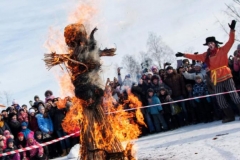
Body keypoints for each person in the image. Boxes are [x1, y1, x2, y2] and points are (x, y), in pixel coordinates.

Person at [175, 20, 239, 123]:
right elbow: (195, 56)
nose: (210, 45)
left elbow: (231, 40)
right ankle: (229, 116)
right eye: (209, 43)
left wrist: (232, 30)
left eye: (212, 43)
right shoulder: (206, 55)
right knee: (220, 100)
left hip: (226, 75)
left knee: (234, 96)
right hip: (216, 78)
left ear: (215, 43)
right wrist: (184, 54)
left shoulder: (223, 50)